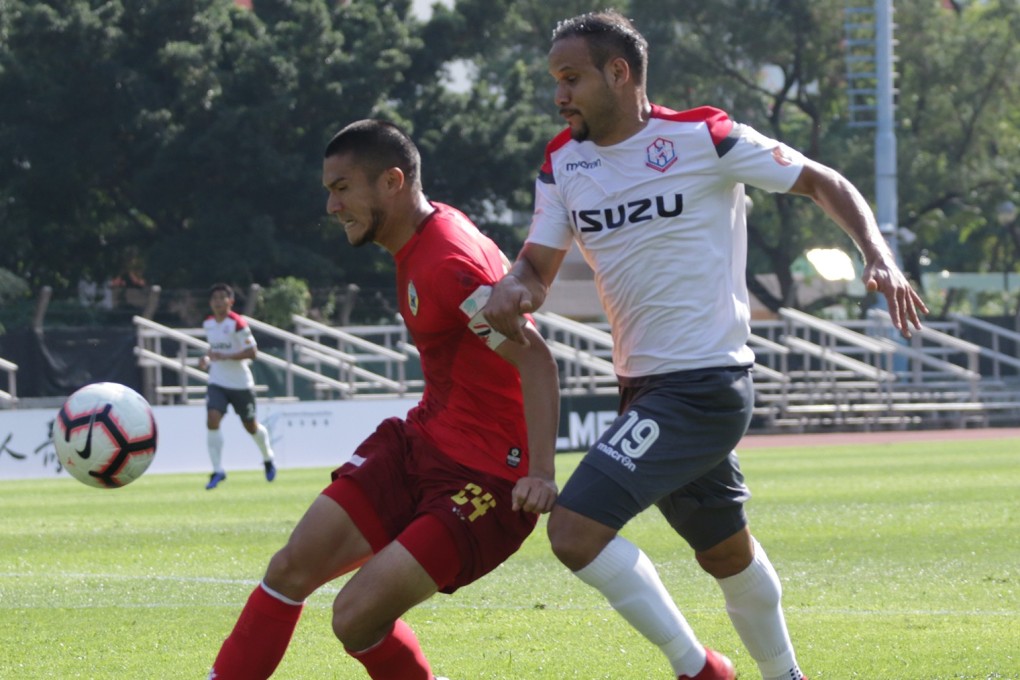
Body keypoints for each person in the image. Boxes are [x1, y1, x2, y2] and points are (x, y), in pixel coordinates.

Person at [482, 10, 928, 680]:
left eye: (571, 78)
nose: (559, 95)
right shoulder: (562, 163)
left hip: (705, 385)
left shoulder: (703, 137)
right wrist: (511, 290)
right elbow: (536, 272)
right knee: (725, 554)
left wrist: (878, 254)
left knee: (574, 532)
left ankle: (698, 670)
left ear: (620, 73)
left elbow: (821, 179)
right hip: (645, 388)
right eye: (556, 81)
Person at [208, 119, 560, 680]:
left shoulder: (448, 265)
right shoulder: (419, 239)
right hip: (422, 442)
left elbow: (537, 361)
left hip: (488, 476)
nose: (330, 205)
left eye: (342, 187)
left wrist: (541, 472)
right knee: (291, 567)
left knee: (353, 617)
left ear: (392, 182)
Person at [199, 282, 277, 490]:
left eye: (222, 298)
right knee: (212, 418)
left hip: (241, 384)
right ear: (210, 302)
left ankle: (268, 457)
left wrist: (226, 356)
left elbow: (252, 352)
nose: (218, 302)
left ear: (230, 301)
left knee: (250, 426)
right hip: (217, 382)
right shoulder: (208, 323)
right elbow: (213, 348)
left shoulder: (238, 323)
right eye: (214, 298)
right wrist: (206, 358)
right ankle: (217, 470)